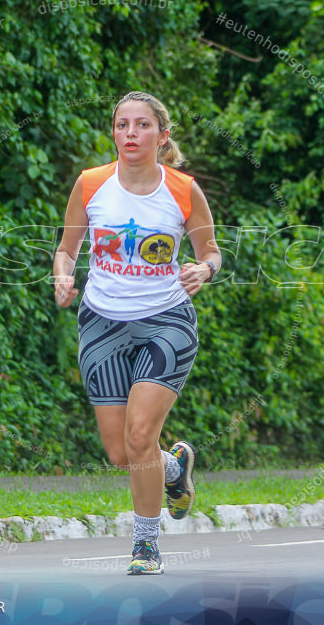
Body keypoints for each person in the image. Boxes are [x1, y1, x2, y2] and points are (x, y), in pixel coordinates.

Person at [52, 91, 222, 575]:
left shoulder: (184, 190)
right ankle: (175, 469)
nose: (131, 133)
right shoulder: (91, 184)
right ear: (113, 133)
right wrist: (63, 276)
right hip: (102, 322)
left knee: (141, 433)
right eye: (122, 125)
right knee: (120, 452)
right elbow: (66, 249)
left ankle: (145, 546)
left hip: (166, 321)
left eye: (142, 125)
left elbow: (211, 250)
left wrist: (204, 272)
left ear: (161, 136)